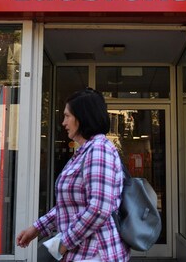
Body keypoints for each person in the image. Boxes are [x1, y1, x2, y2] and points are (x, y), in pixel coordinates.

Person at [16, 88, 130, 262]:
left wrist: (63, 244)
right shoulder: (85, 151)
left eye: (67, 116)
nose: (63, 122)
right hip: (82, 251)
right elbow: (69, 204)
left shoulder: (99, 149)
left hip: (96, 253)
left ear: (82, 117)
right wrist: (37, 228)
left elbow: (98, 209)